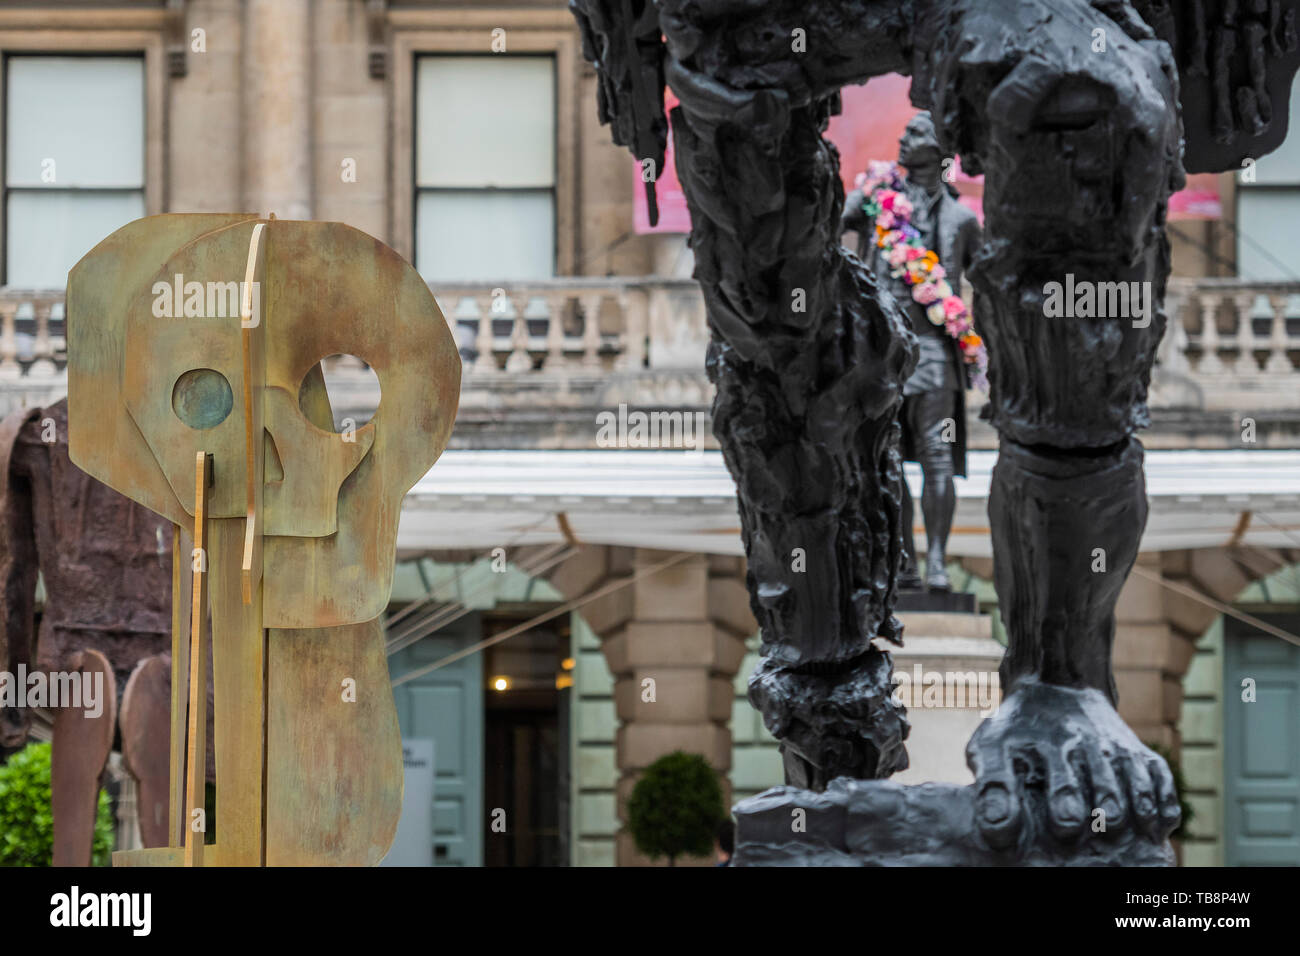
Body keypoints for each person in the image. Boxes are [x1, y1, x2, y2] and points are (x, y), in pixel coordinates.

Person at [842, 112, 982, 592]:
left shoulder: (962, 220)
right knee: (890, 458)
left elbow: (988, 281)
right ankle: (902, 559)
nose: (903, 138)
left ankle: (938, 560)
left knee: (936, 457)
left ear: (941, 149)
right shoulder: (874, 203)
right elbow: (825, 228)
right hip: (883, 353)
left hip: (935, 352)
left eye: (916, 134)